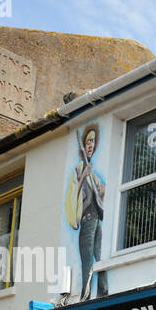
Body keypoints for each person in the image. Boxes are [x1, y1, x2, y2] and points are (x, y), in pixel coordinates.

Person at [65, 123, 108, 300]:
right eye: (89, 141)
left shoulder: (94, 175)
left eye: (94, 141)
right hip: (87, 219)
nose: (91, 145)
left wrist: (102, 191)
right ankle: (87, 294)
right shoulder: (79, 169)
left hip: (95, 220)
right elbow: (72, 195)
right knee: (88, 259)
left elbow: (101, 197)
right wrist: (83, 176)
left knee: (98, 257)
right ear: (83, 144)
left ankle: (101, 292)